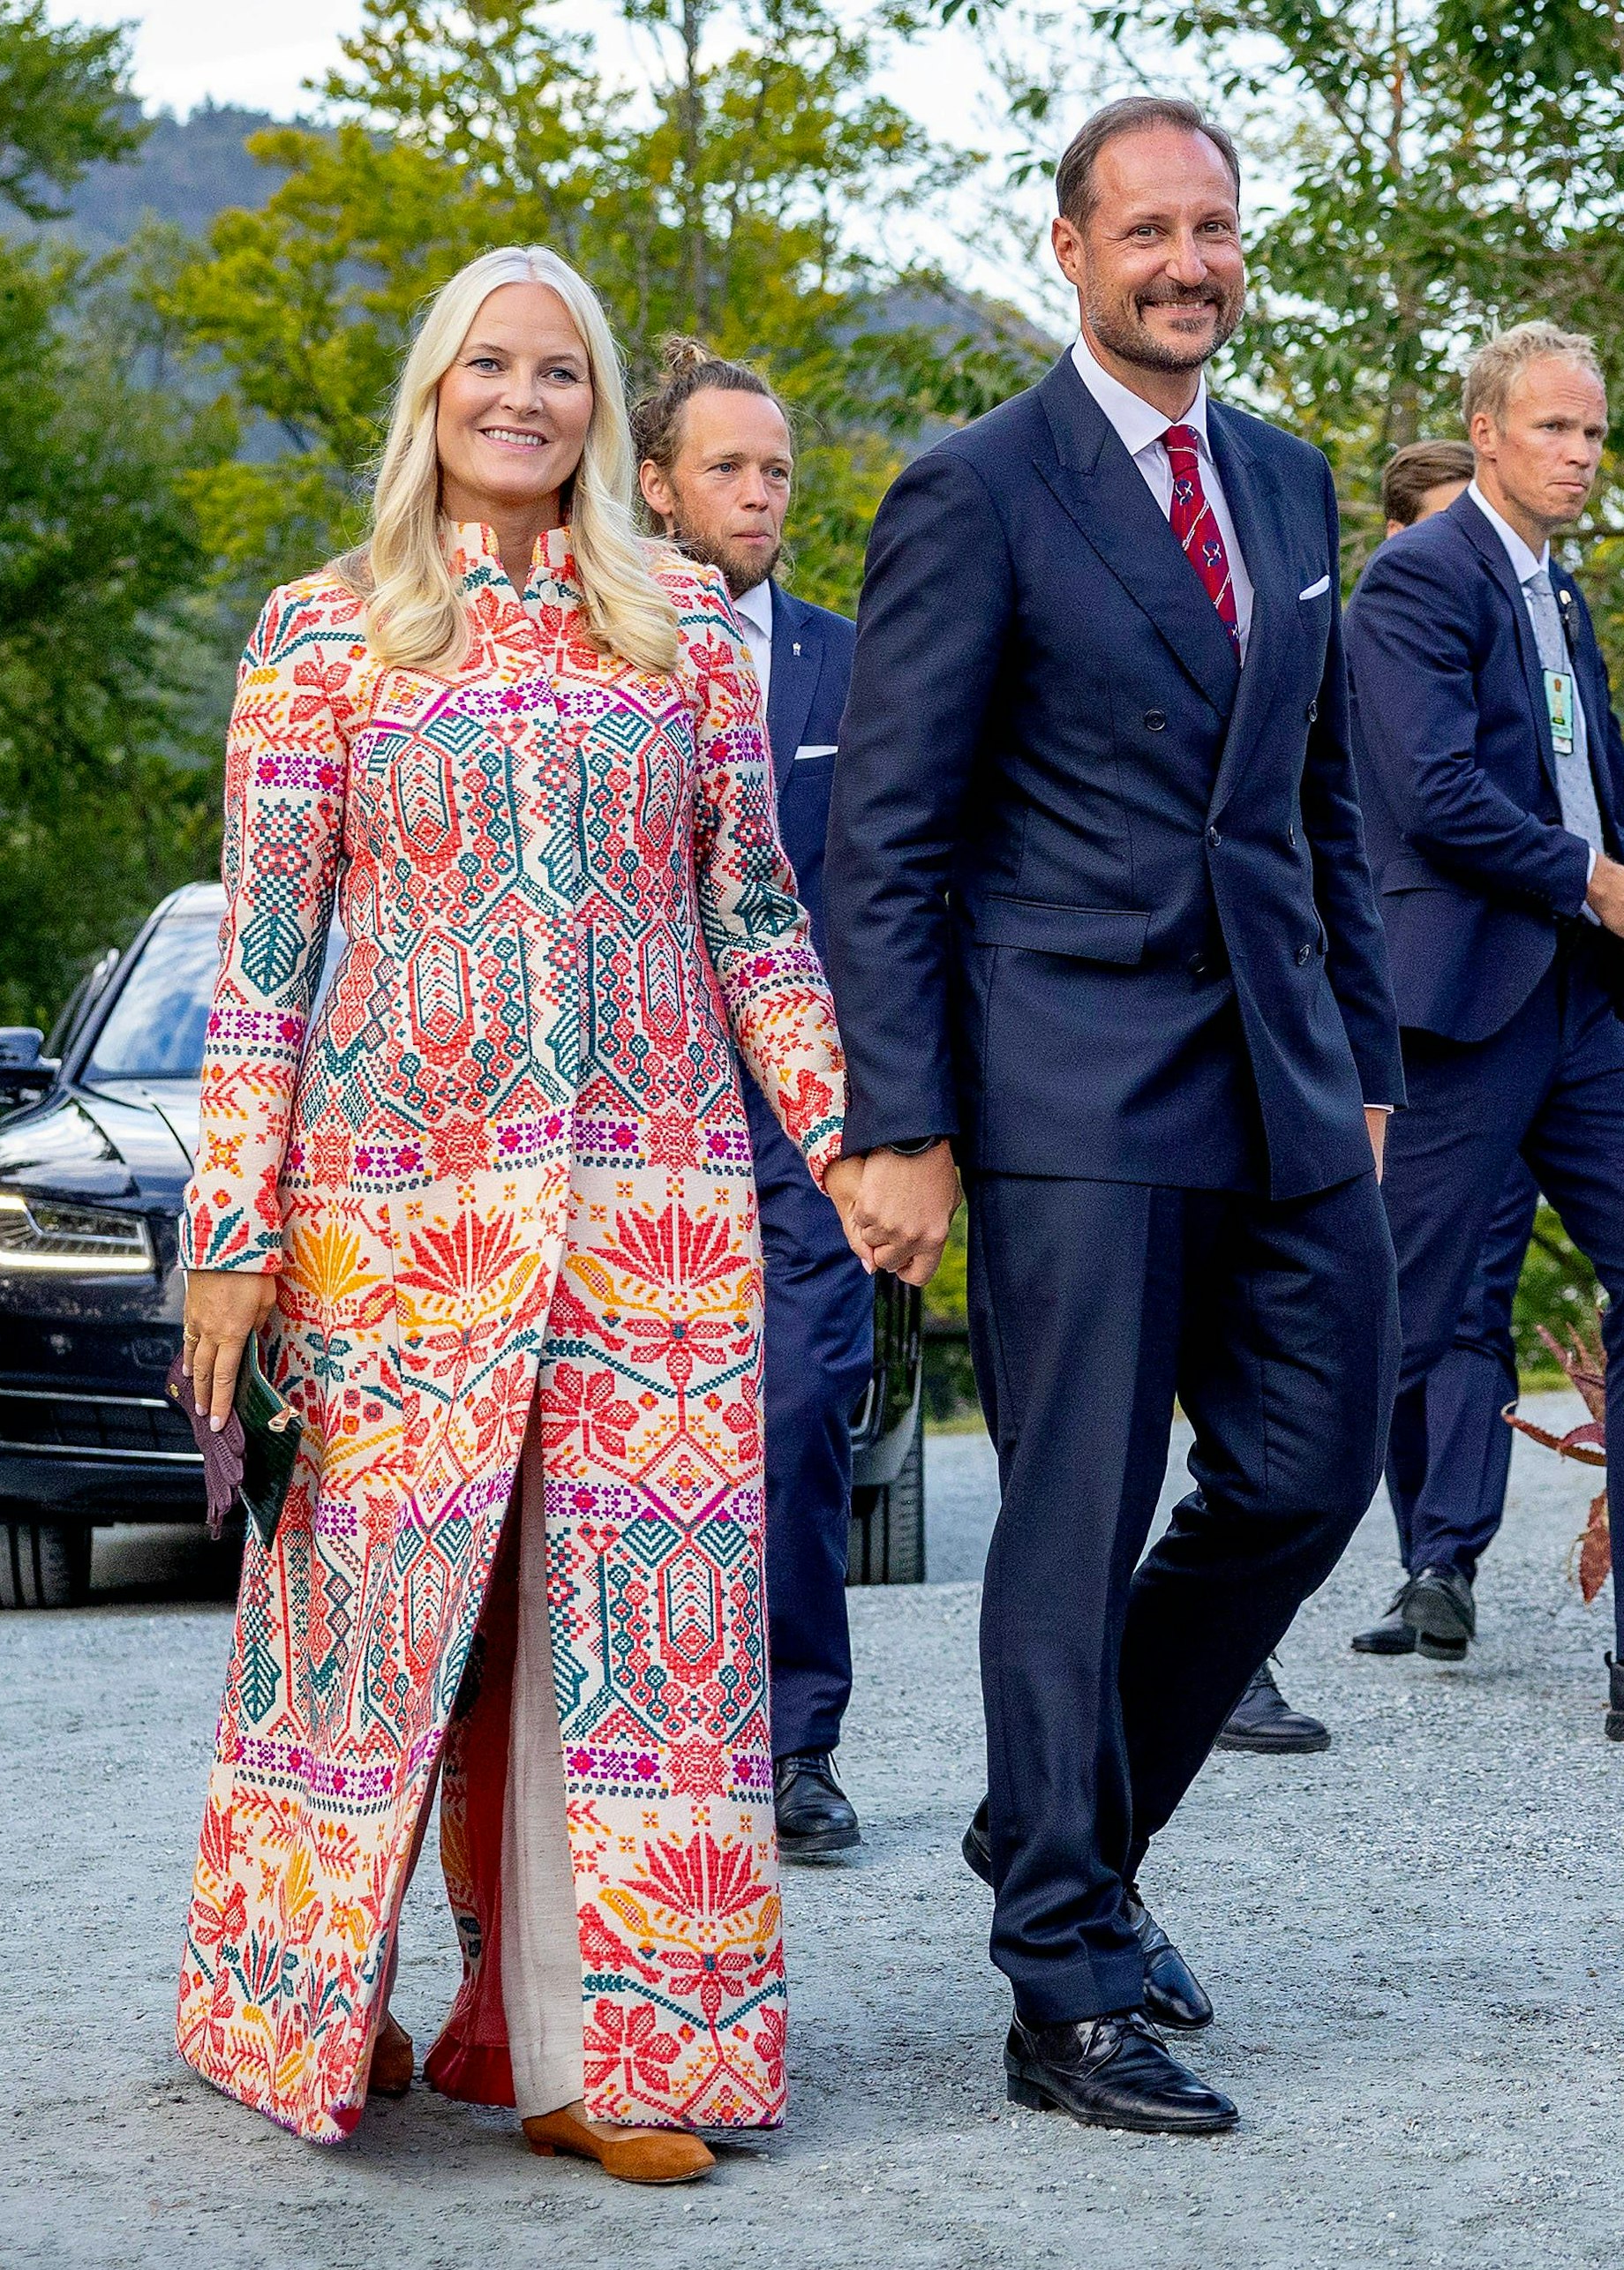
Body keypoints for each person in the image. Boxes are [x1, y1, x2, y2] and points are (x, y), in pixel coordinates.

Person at [175, 244, 851, 2177]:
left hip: (650, 1212)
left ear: (602, 412)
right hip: (382, 1225)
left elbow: (754, 924)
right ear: (432, 392)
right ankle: (306, 1998)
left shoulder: (691, 641)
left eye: (563, 373)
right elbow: (271, 962)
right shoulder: (321, 636)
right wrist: (231, 1233)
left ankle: (587, 2056)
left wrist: (854, 1143)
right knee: (373, 1630)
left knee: (621, 1636)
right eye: (492, 366)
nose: (526, 400)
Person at [823, 94, 1402, 2136]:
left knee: (1308, 1468)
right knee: (1070, 1526)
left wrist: (1373, 1070)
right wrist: (896, 1115)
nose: (1188, 262)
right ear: (1066, 247)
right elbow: (884, 834)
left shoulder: (1285, 476)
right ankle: (1063, 1974)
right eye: (1147, 227)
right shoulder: (973, 489)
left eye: (1215, 228)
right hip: (1066, 1078)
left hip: (1285, 1075)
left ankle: (1049, 1824)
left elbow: (1317, 795)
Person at [1344, 323, 1624, 1733]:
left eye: (1595, 432)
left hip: (1583, 999)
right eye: (1560, 429)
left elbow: (1589, 776)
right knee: (1380, 1317)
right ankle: (1216, 1608)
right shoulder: (1416, 583)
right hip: (1461, 1004)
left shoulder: (1555, 593)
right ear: (1489, 430)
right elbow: (1437, 794)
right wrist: (1596, 877)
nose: (1584, 455)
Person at [632, 340, 876, 1862]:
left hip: (816, 1112)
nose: (758, 491)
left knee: (796, 1408)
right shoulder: (594, 650)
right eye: (726, 465)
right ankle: (644, 1749)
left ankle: (796, 1744)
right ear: (654, 483)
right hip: (638, 1103)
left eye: (777, 467)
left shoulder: (865, 664)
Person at [1351, 439, 1542, 1659]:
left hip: (1531, 996)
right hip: (1412, 1007)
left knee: (1475, 1292)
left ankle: (1445, 1555)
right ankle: (1422, 1540)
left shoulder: (1532, 619)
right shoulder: (1375, 634)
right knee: (1410, 1297)